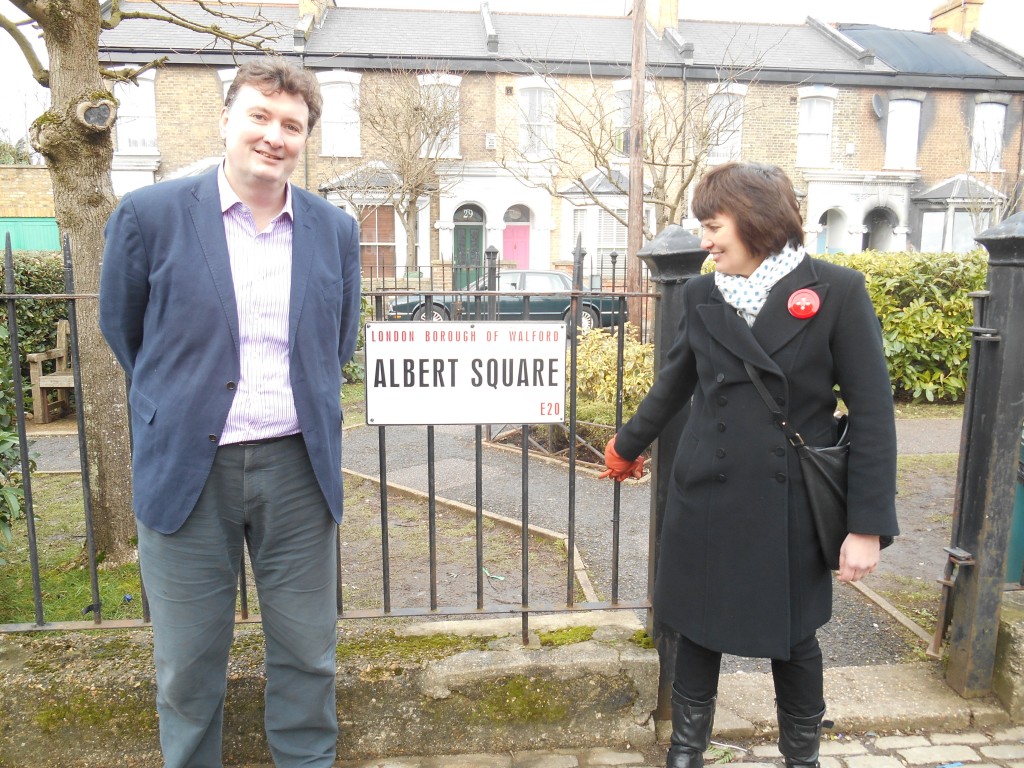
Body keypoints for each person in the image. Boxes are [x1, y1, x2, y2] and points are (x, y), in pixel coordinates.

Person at [99, 57, 361, 768]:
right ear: (226, 118)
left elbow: (337, 342)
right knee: (186, 664)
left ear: (305, 136)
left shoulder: (335, 228)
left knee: (309, 653)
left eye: (292, 124)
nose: (274, 135)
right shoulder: (149, 217)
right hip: (188, 469)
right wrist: (185, 401)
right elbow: (126, 332)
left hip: (298, 469)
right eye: (259, 116)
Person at [601, 162, 898, 768]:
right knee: (696, 628)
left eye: (713, 226)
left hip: (788, 504)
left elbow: (873, 416)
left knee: (793, 640)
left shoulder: (837, 292)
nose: (705, 242)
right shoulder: (702, 293)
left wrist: (866, 526)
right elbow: (673, 383)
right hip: (705, 494)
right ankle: (685, 753)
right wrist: (626, 445)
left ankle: (802, 759)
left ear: (756, 221)